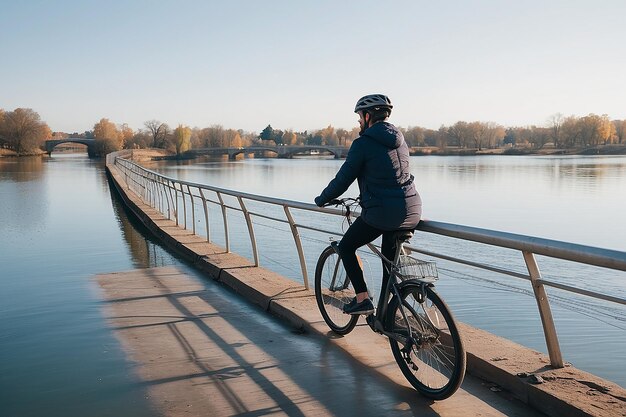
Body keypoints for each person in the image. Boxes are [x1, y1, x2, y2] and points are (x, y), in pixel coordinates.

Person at [314, 94, 422, 315]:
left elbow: (343, 179)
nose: (358, 122)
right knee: (389, 268)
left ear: (368, 115)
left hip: (383, 213)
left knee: (346, 247)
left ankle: (362, 298)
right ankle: (386, 313)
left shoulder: (363, 143)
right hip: (412, 210)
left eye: (359, 118)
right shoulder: (401, 141)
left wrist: (322, 199)